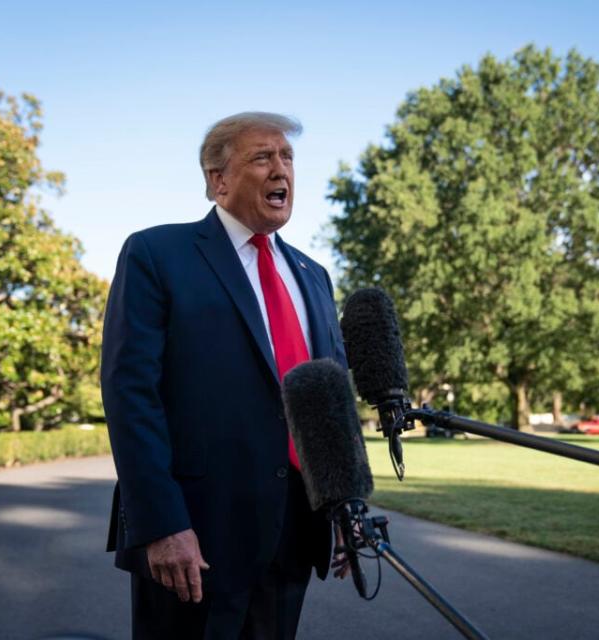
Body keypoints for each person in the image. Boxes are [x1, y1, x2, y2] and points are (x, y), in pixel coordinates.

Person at [100, 112, 348, 639]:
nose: (280, 169)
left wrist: (345, 504)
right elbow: (130, 395)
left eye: (287, 157)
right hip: (194, 537)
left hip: (294, 533)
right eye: (262, 157)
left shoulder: (313, 276)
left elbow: (331, 405)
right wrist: (163, 524)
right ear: (219, 181)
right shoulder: (157, 254)